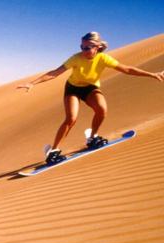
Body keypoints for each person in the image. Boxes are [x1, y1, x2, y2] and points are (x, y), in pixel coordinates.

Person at [17, 31, 164, 165]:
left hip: (89, 88)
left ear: (97, 47)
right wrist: (32, 83)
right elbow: (55, 72)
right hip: (73, 88)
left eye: (87, 48)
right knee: (71, 118)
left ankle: (92, 137)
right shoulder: (76, 58)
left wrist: (152, 74)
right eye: (82, 47)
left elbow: (127, 69)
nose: (83, 50)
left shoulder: (103, 58)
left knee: (102, 109)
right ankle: (53, 151)